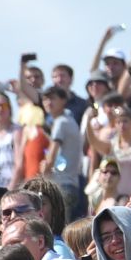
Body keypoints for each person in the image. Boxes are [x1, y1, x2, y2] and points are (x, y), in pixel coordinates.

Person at [40, 85, 86, 214]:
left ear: (63, 100)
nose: (48, 102)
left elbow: (51, 157)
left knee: (60, 230)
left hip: (63, 185)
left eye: (52, 98)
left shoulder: (61, 122)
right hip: (70, 185)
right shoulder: (68, 120)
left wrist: (43, 174)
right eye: (45, 99)